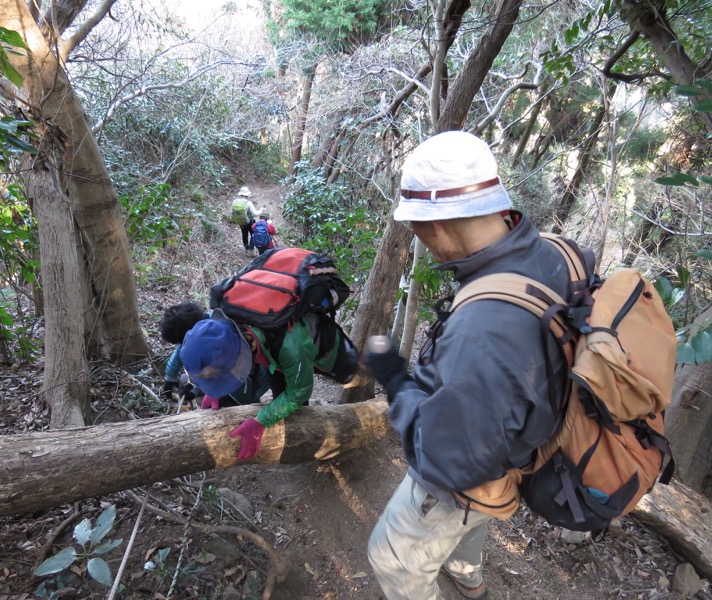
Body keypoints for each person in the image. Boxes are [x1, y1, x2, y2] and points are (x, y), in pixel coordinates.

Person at [363, 131, 572, 600]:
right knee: (478, 505)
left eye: (416, 229)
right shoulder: (557, 254)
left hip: (478, 468)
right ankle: (467, 572)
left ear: (436, 225)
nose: (421, 242)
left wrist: (395, 377)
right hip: (528, 445)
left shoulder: (483, 331)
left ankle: (456, 570)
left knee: (390, 556)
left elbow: (446, 461)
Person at [180, 309, 358, 460]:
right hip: (269, 354)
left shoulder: (291, 347)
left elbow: (298, 393)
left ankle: (309, 443)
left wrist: (260, 422)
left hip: (320, 350)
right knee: (280, 397)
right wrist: (216, 388)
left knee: (299, 404)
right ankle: (292, 437)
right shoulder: (228, 324)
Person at [159, 301, 270, 408]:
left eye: (182, 342)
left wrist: (201, 391)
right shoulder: (204, 331)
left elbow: (232, 380)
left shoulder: (222, 343)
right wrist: (171, 377)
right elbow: (180, 351)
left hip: (258, 383)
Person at [231, 186, 262, 255]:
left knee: (244, 234)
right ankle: (251, 250)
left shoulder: (235, 201)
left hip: (241, 222)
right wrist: (261, 210)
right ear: (247, 195)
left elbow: (231, 212)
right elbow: (255, 214)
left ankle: (246, 248)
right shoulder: (248, 203)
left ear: (240, 194)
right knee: (253, 234)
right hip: (249, 222)